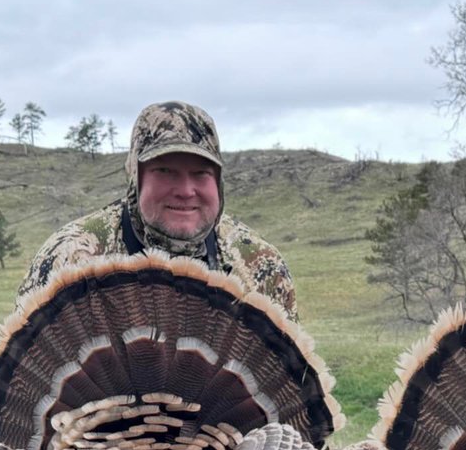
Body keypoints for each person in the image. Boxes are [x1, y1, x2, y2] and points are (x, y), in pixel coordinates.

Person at [15, 101, 297, 320]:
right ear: (135, 180)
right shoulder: (71, 257)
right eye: (165, 171)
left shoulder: (259, 264)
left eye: (200, 173)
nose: (186, 190)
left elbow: (288, 387)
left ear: (218, 182)